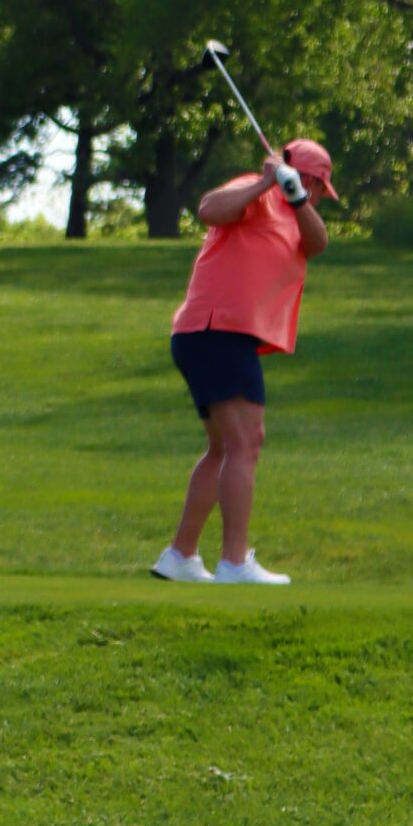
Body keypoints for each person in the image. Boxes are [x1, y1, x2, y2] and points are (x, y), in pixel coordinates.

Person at [152, 138, 336, 586]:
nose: (317, 197)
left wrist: (296, 197)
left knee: (224, 447)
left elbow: (319, 243)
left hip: (213, 334)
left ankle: (180, 556)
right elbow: (209, 209)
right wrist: (266, 182)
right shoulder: (254, 193)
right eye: (318, 188)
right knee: (246, 443)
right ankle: (234, 562)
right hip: (218, 329)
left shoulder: (296, 214)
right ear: (312, 178)